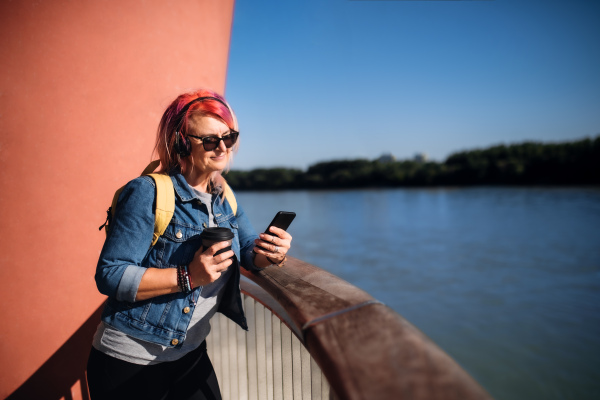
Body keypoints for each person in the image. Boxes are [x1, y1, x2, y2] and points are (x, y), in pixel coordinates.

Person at [87, 89, 292, 400]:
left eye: (229, 137)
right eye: (210, 140)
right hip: (130, 360)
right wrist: (190, 276)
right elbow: (110, 274)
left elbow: (249, 248)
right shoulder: (147, 193)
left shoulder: (224, 196)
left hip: (190, 351)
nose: (222, 147)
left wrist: (270, 252)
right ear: (181, 142)